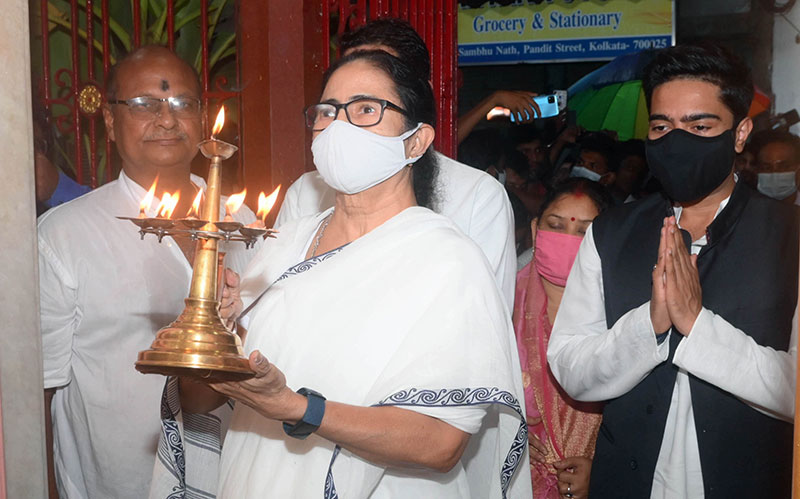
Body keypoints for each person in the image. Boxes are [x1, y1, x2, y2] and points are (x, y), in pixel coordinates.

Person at [179, 49, 531, 498]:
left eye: (366, 109)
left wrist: (298, 407)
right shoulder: (281, 246)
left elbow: (443, 443)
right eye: (327, 111)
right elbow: (200, 400)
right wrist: (213, 330)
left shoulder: (446, 261)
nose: (338, 126)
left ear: (416, 141)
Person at [547, 44, 798, 498]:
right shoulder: (611, 232)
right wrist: (651, 324)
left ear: (740, 133)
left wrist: (697, 326)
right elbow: (570, 368)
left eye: (700, 126)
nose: (676, 140)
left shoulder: (790, 236)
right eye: (662, 126)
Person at [38, 46, 256, 498]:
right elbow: (41, 386)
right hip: (116, 482)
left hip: (232, 474)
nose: (167, 119)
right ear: (112, 124)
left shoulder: (241, 221)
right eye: (144, 104)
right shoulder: (64, 234)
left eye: (183, 103)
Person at [275, 18, 517, 309]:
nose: (341, 125)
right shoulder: (303, 194)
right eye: (332, 107)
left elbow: (482, 320)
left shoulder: (477, 197)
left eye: (366, 107)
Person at [515, 178, 611, 499]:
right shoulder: (500, 305)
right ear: (534, 230)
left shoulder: (623, 316)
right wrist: (507, 436)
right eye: (555, 226)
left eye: (584, 232)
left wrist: (603, 466)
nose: (568, 239)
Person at [751, 129, 800, 203]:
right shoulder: (745, 211)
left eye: (784, 167)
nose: (775, 173)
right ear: (756, 171)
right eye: (767, 168)